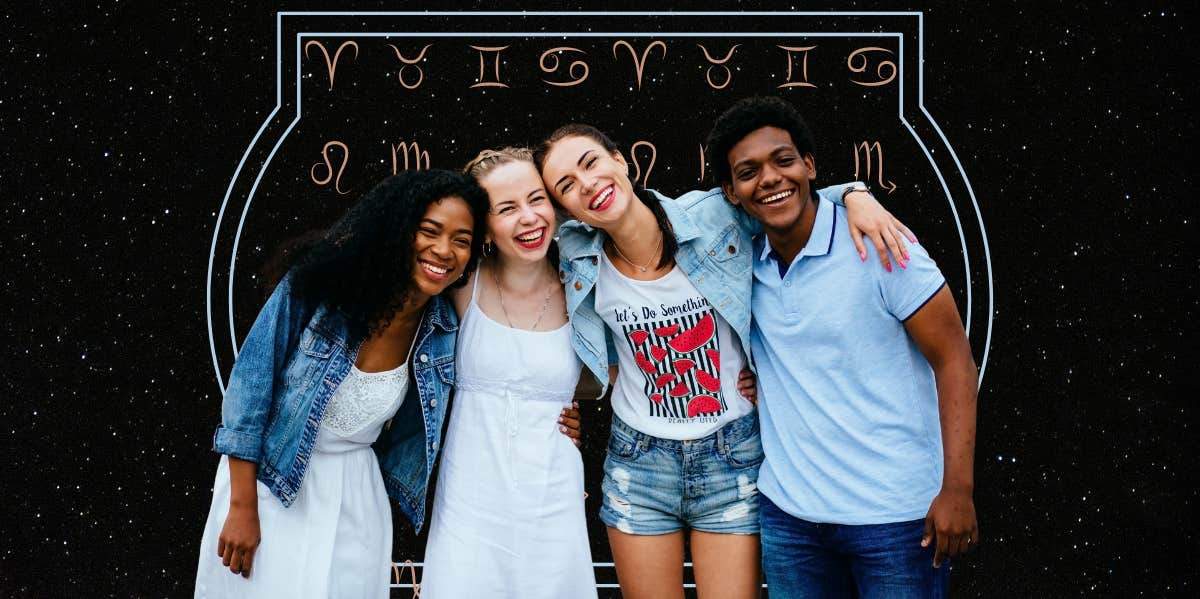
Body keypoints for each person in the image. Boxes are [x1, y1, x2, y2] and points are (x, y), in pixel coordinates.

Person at [535, 125, 907, 599]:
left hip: (732, 457)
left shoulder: (712, 216)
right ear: (565, 209)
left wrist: (855, 194)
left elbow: (792, 201)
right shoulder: (575, 252)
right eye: (566, 185)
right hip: (638, 462)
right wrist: (547, 405)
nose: (586, 184)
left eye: (590, 163)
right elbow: (512, 254)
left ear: (619, 160)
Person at [707, 96, 980, 598]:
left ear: (809, 165)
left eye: (783, 160)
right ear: (731, 192)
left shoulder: (882, 245)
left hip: (895, 519)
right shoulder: (739, 267)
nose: (769, 178)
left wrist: (958, 489)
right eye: (748, 172)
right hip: (791, 519)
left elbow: (954, 360)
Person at [196, 170, 493, 598]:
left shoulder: (443, 329)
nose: (443, 250)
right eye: (429, 231)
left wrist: (566, 407)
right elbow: (249, 385)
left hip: (357, 499)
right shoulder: (323, 286)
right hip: (271, 482)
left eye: (461, 240)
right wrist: (242, 506)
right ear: (399, 228)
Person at [419, 148, 596, 598]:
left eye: (537, 199)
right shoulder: (461, 285)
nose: (529, 218)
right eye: (507, 208)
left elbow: (627, 370)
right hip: (469, 496)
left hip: (551, 497)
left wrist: (739, 372)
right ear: (484, 227)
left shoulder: (586, 290)